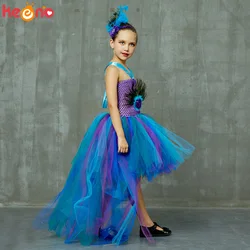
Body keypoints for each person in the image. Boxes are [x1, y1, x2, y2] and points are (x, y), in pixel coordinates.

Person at [33, 5, 195, 246]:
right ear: (112, 43)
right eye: (122, 43)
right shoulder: (112, 69)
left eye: (131, 44)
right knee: (118, 179)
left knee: (132, 179)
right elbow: (111, 105)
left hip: (132, 125)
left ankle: (142, 223)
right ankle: (121, 223)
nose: (126, 48)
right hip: (118, 129)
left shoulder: (125, 68)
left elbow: (126, 101)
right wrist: (120, 135)